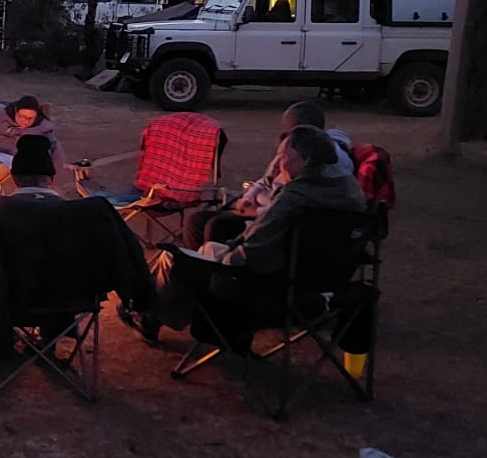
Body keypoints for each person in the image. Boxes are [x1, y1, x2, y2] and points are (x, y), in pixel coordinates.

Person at [0, 135, 156, 374]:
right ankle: (51, 334)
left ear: (14, 178)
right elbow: (128, 257)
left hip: (10, 303)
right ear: (51, 179)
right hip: (74, 299)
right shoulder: (93, 213)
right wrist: (140, 298)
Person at [138, 125, 368, 340]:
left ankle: (152, 316)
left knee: (174, 259)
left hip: (265, 288)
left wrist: (224, 257)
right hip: (325, 284)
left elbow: (252, 253)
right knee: (209, 244)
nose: (280, 164)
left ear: (305, 160)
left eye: (284, 157)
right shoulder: (351, 191)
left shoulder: (294, 198)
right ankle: (157, 314)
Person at [183, 100, 354, 248]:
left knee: (216, 226)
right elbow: (267, 180)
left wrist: (255, 212)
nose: (284, 137)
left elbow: (288, 208)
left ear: (305, 130)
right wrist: (248, 198)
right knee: (198, 220)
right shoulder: (297, 148)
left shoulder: (320, 163)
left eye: (288, 131)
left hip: (275, 223)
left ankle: (212, 269)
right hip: (262, 208)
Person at [0, 94, 65, 184]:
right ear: (15, 111)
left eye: (30, 118)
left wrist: (51, 178)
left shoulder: (42, 128)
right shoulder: (1, 112)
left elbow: (55, 151)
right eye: (22, 116)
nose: (26, 121)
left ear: (36, 117)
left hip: (10, 161)